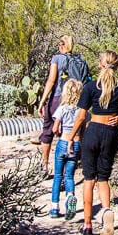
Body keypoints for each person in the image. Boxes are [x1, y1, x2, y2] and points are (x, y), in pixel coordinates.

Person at [69, 50, 118, 235]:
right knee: (103, 178)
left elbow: (80, 117)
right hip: (110, 133)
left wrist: (71, 137)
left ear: (100, 64)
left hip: (93, 130)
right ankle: (106, 211)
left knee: (88, 179)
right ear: (116, 65)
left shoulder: (91, 86)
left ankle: (87, 225)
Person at [37, 34, 75, 174]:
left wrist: (42, 102)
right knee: (65, 133)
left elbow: (51, 81)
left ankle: (45, 166)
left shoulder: (57, 58)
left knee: (47, 131)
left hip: (57, 98)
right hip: (72, 101)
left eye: (60, 44)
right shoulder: (78, 60)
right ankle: (65, 172)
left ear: (62, 45)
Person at [49, 78, 84, 220]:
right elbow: (83, 130)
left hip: (63, 142)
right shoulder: (82, 111)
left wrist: (59, 133)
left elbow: (55, 128)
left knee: (58, 176)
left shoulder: (62, 108)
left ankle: (54, 208)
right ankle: (70, 197)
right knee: (69, 176)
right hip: (76, 144)